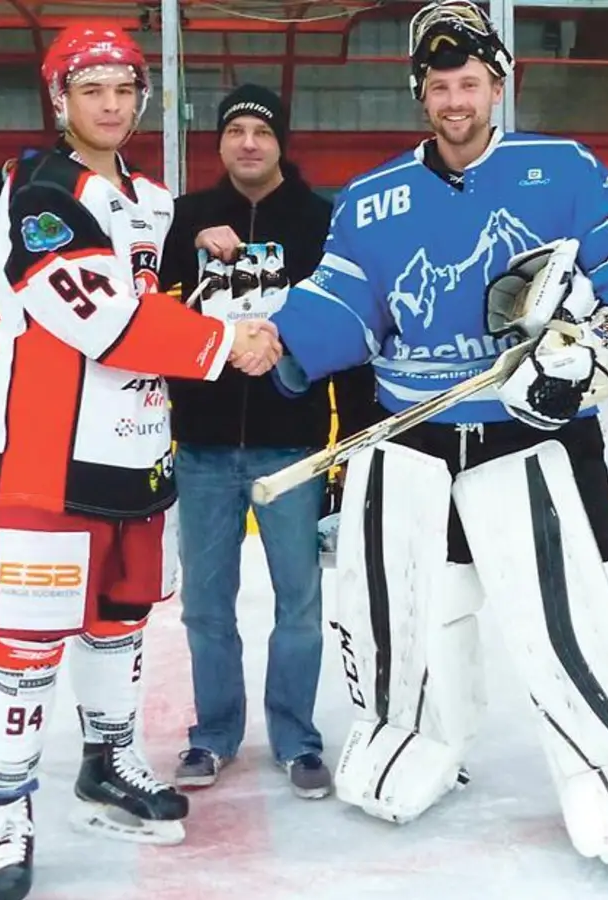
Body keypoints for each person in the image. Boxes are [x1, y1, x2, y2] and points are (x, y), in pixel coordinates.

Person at [262, 0, 608, 869]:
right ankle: (411, 738)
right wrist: (284, 340)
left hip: (530, 434)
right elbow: (346, 296)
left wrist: (605, 332)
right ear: (419, 92)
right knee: (409, 614)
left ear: (499, 85)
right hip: (411, 442)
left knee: (564, 616)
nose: (455, 98)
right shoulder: (375, 198)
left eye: (470, 82)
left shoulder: (559, 168)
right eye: (439, 84)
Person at [0, 24, 279, 900]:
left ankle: (107, 761)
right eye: (90, 89)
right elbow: (99, 319)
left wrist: (220, 288)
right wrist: (228, 340)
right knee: (26, 644)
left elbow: (157, 301)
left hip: (136, 457)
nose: (109, 105)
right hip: (43, 461)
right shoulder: (38, 189)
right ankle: (7, 806)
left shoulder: (152, 196)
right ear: (59, 99)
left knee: (119, 622)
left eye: (122, 88)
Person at [157, 84, 375, 798]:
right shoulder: (186, 220)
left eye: (261, 130)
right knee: (206, 606)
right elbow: (151, 324)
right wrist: (191, 254)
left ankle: (296, 738)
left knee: (299, 602)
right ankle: (214, 735)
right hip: (204, 449)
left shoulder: (322, 222)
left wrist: (349, 448)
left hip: (294, 448)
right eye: (235, 131)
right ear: (218, 143)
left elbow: (349, 336)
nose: (248, 142)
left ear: (282, 141)